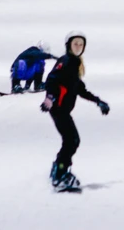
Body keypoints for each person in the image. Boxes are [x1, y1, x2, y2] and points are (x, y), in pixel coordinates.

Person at [41, 31, 110, 191]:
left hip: (62, 109)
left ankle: (59, 170)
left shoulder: (74, 62)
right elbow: (52, 79)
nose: (78, 46)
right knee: (72, 141)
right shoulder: (66, 61)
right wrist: (50, 98)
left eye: (81, 44)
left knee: (71, 141)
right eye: (75, 43)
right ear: (69, 45)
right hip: (58, 108)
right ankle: (60, 174)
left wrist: (98, 101)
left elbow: (79, 89)